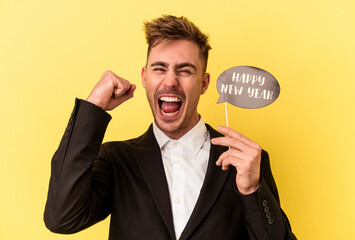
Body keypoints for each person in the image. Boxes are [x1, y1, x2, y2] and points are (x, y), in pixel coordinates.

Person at [44, 15, 297, 240]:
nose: (170, 81)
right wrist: (92, 108)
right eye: (159, 69)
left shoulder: (246, 162)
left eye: (185, 71)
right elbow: (62, 218)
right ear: (144, 77)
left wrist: (252, 190)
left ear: (204, 83)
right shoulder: (117, 160)